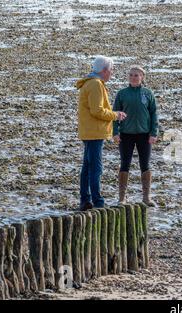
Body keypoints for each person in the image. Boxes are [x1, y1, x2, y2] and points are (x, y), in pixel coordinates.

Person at [76, 55, 127, 211]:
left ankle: (85, 200)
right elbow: (97, 111)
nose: (111, 73)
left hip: (88, 131)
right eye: (111, 70)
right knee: (95, 168)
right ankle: (98, 201)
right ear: (104, 70)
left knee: (87, 167)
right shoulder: (96, 84)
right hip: (95, 132)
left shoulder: (89, 83)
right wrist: (116, 115)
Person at [113, 65, 159, 207]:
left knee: (145, 164)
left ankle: (146, 197)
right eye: (131, 75)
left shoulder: (148, 93)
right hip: (126, 134)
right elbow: (115, 113)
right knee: (125, 164)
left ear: (142, 77)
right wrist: (115, 132)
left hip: (144, 135)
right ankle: (122, 197)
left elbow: (154, 114)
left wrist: (153, 133)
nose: (133, 77)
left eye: (136, 75)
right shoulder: (122, 93)